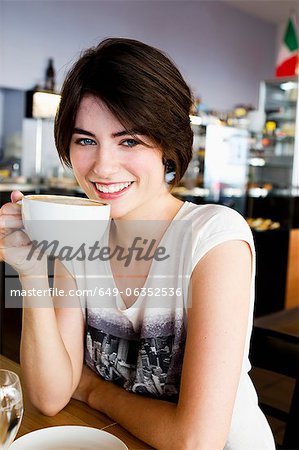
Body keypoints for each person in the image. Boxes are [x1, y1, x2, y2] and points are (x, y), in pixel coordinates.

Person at [0, 38, 275, 450]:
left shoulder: (214, 238)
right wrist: (31, 269)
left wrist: (94, 390)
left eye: (129, 140)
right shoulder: (80, 236)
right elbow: (50, 396)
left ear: (167, 145)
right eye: (86, 140)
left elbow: (195, 441)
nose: (103, 167)